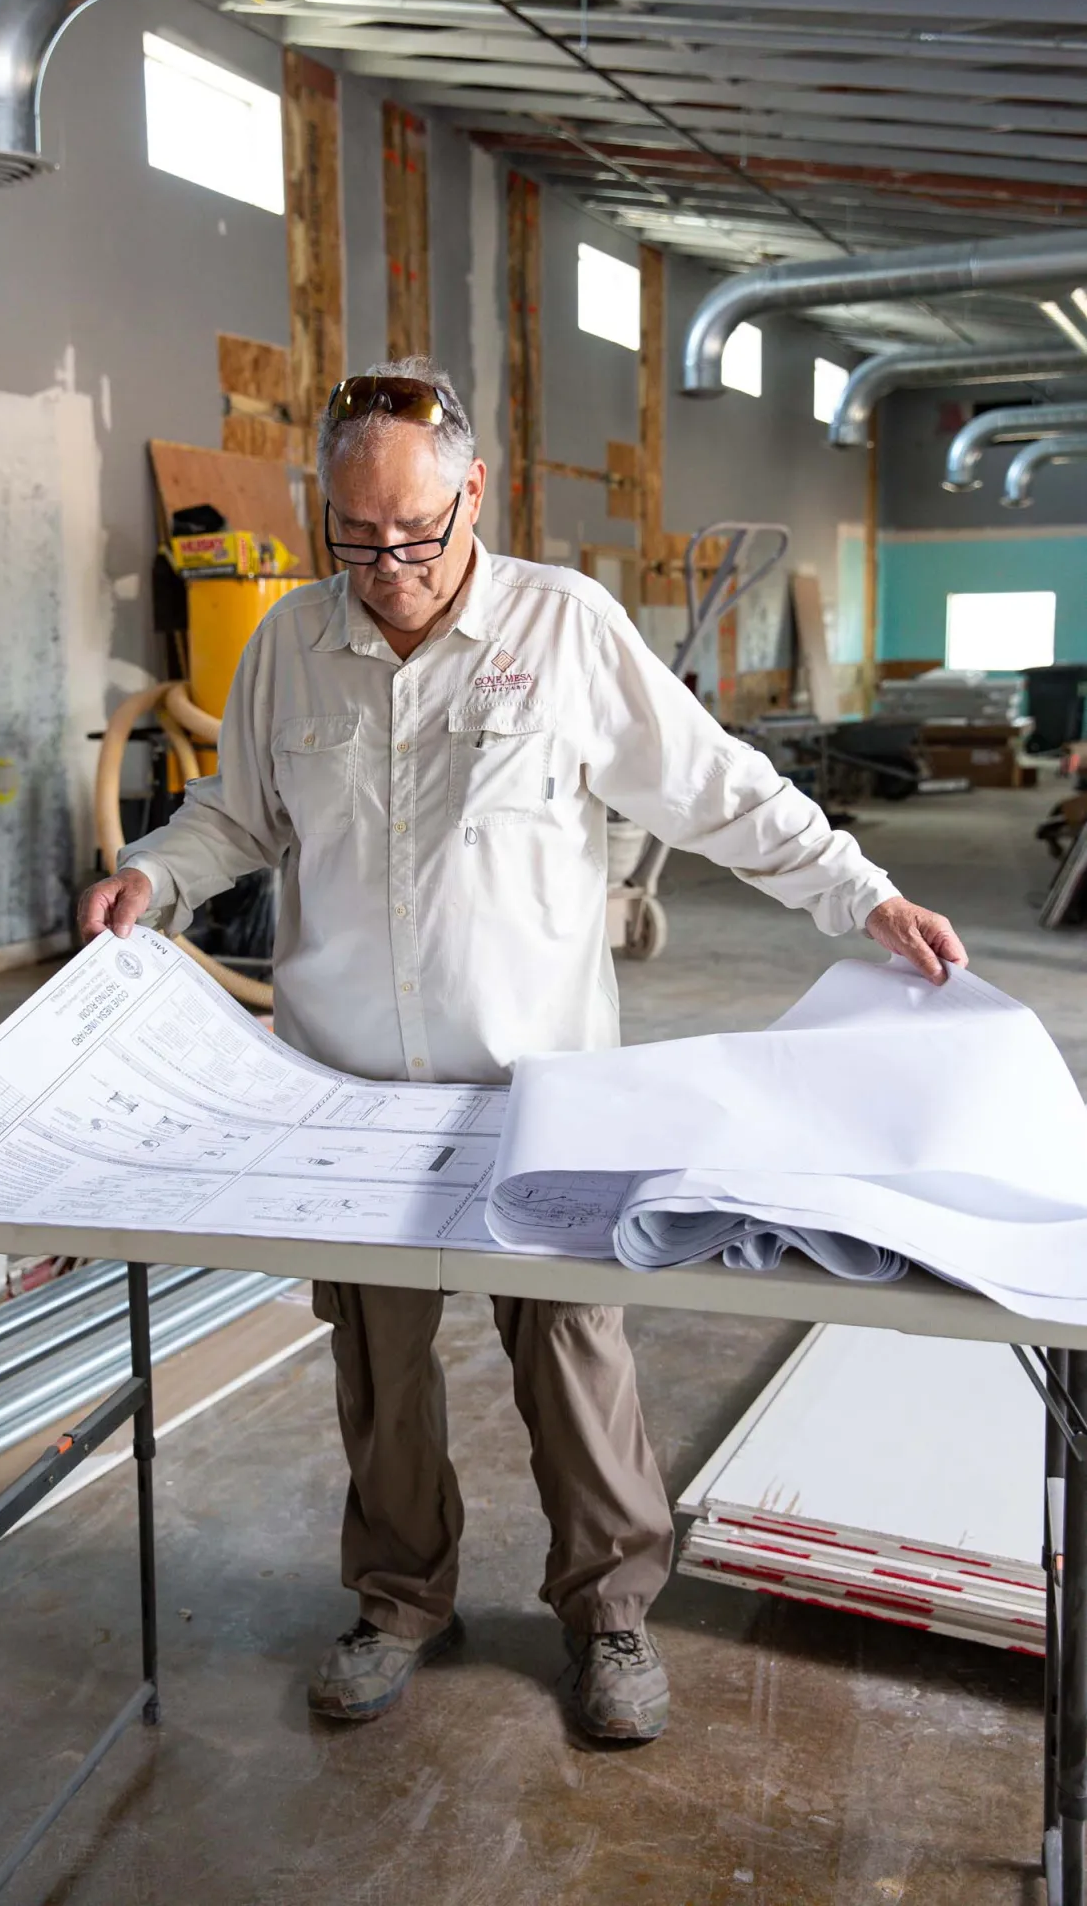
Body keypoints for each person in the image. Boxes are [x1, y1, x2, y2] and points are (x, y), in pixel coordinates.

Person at [79, 357, 966, 1742]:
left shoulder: (564, 629)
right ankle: (394, 1601)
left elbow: (720, 792)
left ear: (472, 494)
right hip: (348, 1091)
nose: (387, 566)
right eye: (356, 537)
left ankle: (609, 1616)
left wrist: (861, 897)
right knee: (378, 1370)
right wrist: (155, 875)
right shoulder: (287, 645)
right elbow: (234, 818)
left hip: (539, 1089)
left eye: (415, 535)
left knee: (572, 1351)